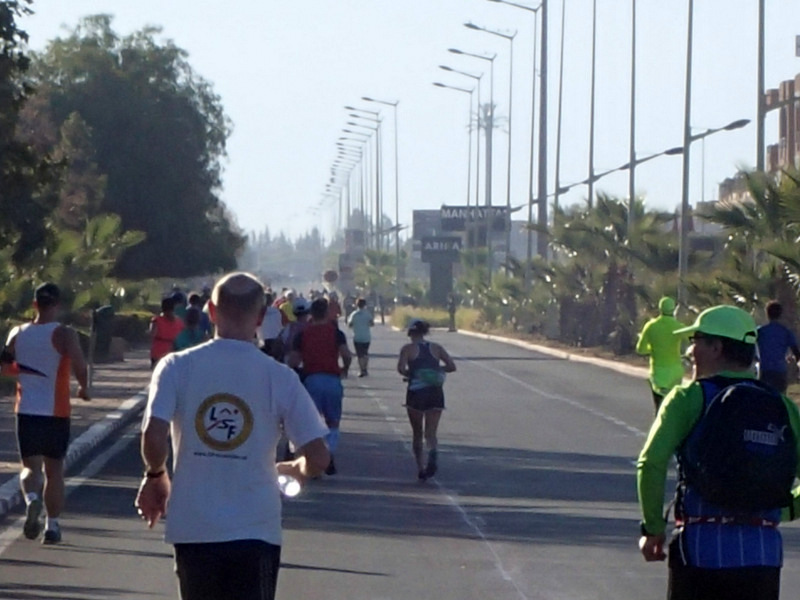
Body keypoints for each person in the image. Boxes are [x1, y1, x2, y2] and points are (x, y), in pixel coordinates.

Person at [135, 271, 330, 600]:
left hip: (194, 529)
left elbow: (153, 436)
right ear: (259, 317)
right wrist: (297, 469)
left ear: (211, 312)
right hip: (257, 531)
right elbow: (319, 457)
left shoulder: (175, 367)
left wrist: (156, 475)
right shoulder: (280, 378)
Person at [637, 305, 800, 600]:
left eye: (695, 341)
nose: (690, 351)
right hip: (763, 555)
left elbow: (651, 463)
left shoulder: (688, 398)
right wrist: (781, 508)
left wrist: (653, 529)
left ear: (716, 347)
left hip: (700, 551)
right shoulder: (782, 406)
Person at [1, 282, 90, 544]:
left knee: (29, 468)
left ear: (34, 304)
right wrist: (84, 388)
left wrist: (25, 371)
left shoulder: (17, 333)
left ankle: (32, 499)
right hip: (56, 412)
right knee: (54, 471)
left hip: (26, 410)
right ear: (58, 305)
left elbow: (5, 366)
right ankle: (52, 525)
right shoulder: (65, 334)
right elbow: (80, 364)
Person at [288, 297, 351, 476]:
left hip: (311, 380)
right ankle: (328, 453)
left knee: (311, 422)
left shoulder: (303, 334)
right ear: (326, 313)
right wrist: (344, 368)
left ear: (311, 314)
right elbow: (347, 355)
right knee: (333, 421)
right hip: (332, 379)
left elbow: (294, 360)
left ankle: (314, 460)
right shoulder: (336, 333)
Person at [397, 319, 456, 481]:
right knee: (431, 432)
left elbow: (401, 369)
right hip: (435, 392)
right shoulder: (436, 348)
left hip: (416, 393)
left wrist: (414, 373)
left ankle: (421, 467)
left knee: (417, 432)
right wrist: (434, 371)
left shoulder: (408, 349)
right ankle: (433, 452)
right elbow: (451, 366)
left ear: (410, 333)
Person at [635, 296, 688, 411]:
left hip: (658, 373)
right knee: (673, 404)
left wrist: (654, 348)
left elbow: (640, 349)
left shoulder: (651, 326)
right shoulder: (678, 327)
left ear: (660, 309)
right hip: (675, 372)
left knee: (659, 407)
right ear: (673, 309)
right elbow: (690, 340)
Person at [756, 300, 800, 393]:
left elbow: (751, 347)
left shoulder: (760, 331)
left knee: (764, 399)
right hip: (780, 371)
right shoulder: (785, 332)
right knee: (780, 399)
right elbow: (796, 352)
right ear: (780, 314)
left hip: (765, 371)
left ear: (767, 314)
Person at [149, 296, 184, 368]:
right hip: (174, 353)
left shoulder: (156, 320)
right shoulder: (179, 322)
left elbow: (151, 334)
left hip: (158, 352)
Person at [347, 297, 374, 377]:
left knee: (360, 355)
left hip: (357, 337)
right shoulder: (367, 314)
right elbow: (372, 323)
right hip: (366, 337)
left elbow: (349, 324)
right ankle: (365, 369)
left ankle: (362, 370)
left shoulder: (354, 314)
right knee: (365, 353)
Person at [258, 292, 283, 359]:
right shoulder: (278, 311)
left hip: (262, 342)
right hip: (276, 341)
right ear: (272, 301)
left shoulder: (258, 313)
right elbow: (282, 325)